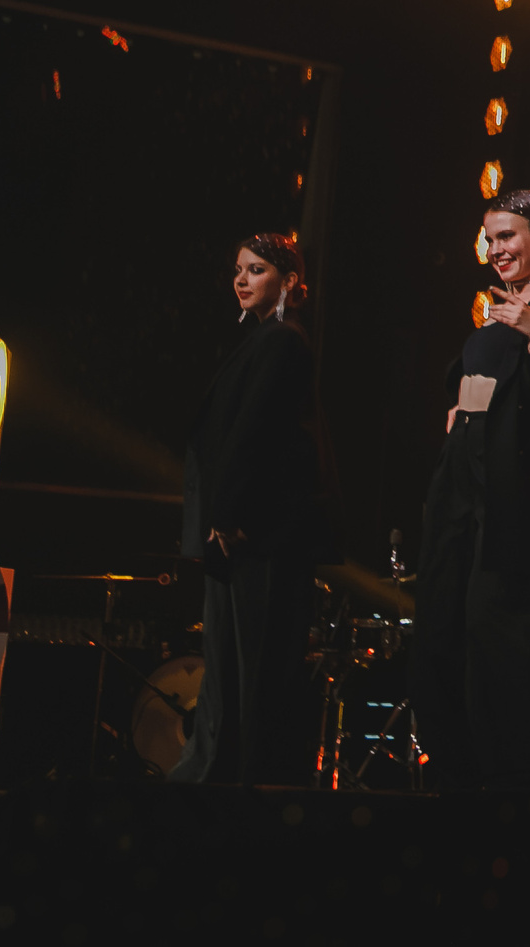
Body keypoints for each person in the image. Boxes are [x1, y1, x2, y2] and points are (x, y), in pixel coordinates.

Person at [414, 188, 530, 788]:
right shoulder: (499, 303)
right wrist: (461, 410)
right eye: (491, 238)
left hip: (510, 486)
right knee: (442, 615)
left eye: (508, 235)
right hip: (461, 475)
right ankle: (450, 763)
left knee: (495, 625)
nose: (497, 249)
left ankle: (504, 778)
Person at [173, 232, 328, 785]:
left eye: (256, 270)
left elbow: (257, 433)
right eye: (238, 269)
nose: (241, 279)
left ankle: (243, 776)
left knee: (256, 662)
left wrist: (228, 515)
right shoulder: (262, 340)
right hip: (242, 527)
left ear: (288, 282)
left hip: (257, 531)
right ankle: (220, 768)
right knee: (230, 660)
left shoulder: (284, 340)